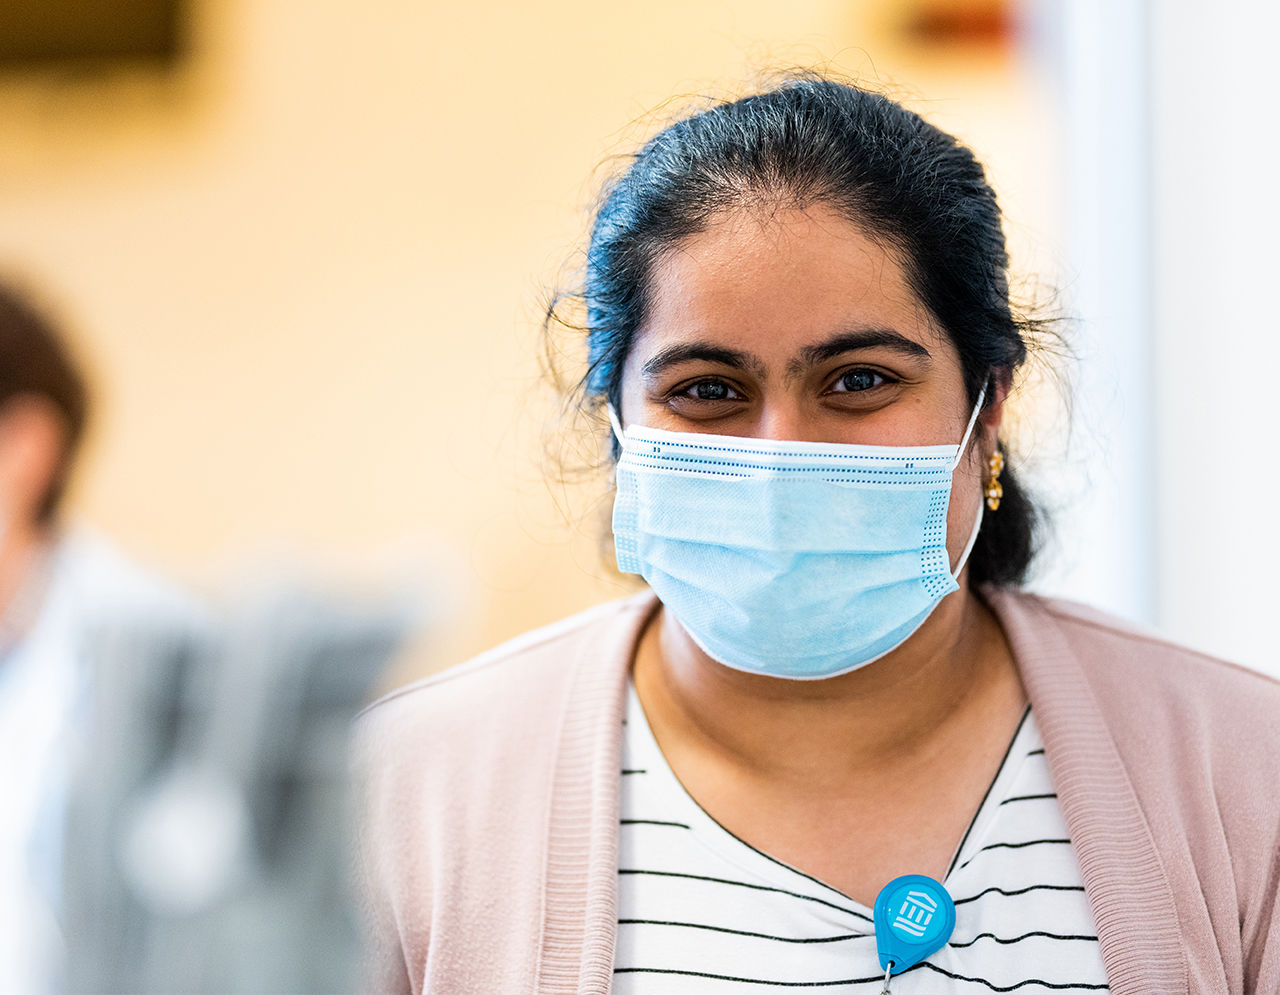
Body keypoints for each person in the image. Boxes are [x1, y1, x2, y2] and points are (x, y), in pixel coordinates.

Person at [354, 77, 1280, 994]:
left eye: (859, 380)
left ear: (988, 407)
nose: (780, 458)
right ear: (618, 422)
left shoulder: (1246, 772)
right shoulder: (402, 796)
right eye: (708, 390)